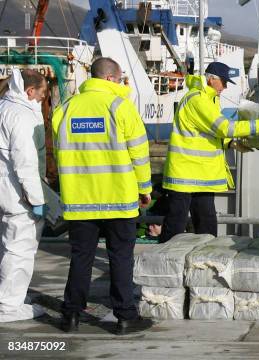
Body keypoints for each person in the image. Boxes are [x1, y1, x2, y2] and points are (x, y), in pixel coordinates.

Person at [51, 57, 153, 335]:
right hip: (118, 199)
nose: (121, 85)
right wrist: (145, 189)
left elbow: (61, 155)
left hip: (79, 201)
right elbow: (139, 154)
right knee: (120, 257)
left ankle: (71, 315)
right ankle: (125, 317)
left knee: (80, 258)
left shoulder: (65, 109)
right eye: (119, 80)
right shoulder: (120, 107)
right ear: (110, 79)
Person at [159, 62, 259, 242]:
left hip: (198, 173)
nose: (224, 87)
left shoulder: (209, 98)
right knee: (177, 221)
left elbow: (208, 132)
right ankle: (163, 260)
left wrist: (231, 143)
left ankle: (206, 255)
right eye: (223, 82)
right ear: (211, 79)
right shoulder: (198, 99)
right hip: (186, 173)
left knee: (206, 220)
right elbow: (223, 127)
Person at [0, 69, 48, 322]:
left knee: (6, 246)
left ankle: (8, 295)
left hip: (4, 190)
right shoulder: (20, 115)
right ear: (30, 92)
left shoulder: (3, 107)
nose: (42, 100)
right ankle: (8, 307)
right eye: (41, 95)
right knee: (19, 249)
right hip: (17, 195)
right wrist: (38, 200)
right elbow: (25, 163)